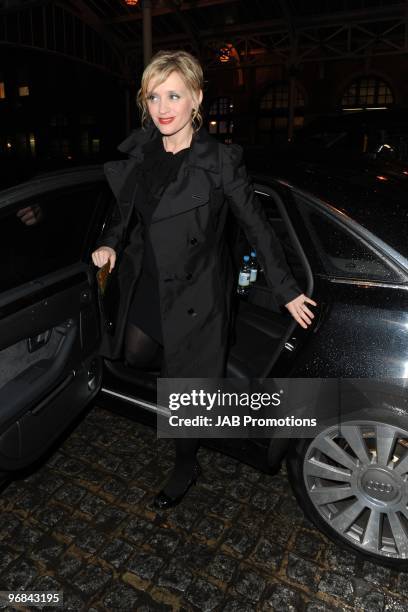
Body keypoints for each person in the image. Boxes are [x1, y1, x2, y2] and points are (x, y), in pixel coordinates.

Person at [92, 50, 317, 509]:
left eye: (173, 94)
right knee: (135, 352)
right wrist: (112, 242)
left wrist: (286, 288)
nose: (162, 107)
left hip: (197, 290)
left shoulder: (218, 160)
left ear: (196, 97)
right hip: (149, 278)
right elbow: (125, 210)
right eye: (153, 96)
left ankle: (184, 463)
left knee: (186, 390)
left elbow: (256, 224)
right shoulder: (144, 153)